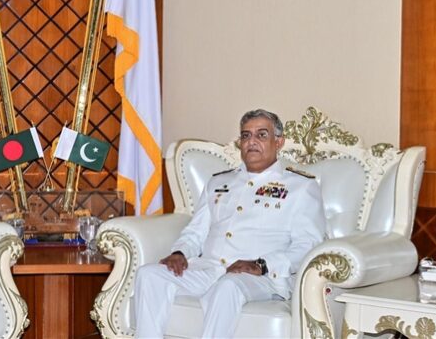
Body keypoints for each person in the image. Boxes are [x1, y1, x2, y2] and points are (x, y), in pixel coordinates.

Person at [133, 109, 326, 338]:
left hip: (262, 278)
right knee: (149, 274)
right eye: (246, 136)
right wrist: (180, 252)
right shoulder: (219, 182)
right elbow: (196, 231)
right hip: (210, 269)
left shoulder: (300, 187)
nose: (251, 141)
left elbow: (309, 244)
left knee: (228, 286)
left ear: (279, 141)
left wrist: (262, 264)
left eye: (261, 135)